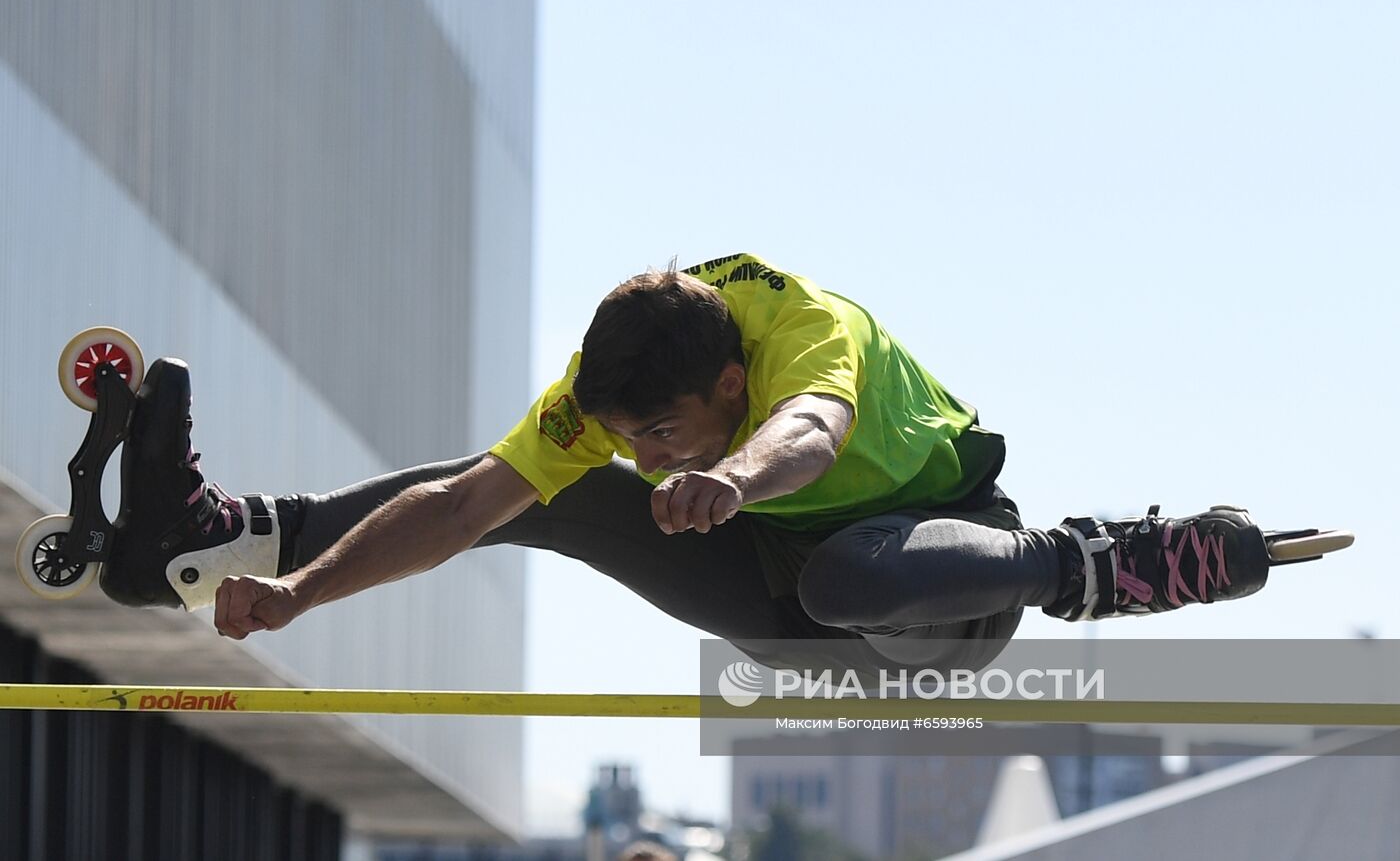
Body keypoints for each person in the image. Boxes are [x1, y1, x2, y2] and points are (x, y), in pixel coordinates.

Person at [100, 253, 1272, 673]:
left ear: (726, 385)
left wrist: (733, 479)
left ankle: (1091, 563)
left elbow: (807, 432)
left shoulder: (807, 330)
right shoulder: (602, 396)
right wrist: (300, 594)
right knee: (537, 497)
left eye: (662, 435)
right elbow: (465, 505)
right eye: (629, 435)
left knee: (845, 573)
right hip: (771, 586)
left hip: (937, 593)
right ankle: (213, 537)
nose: (645, 455)